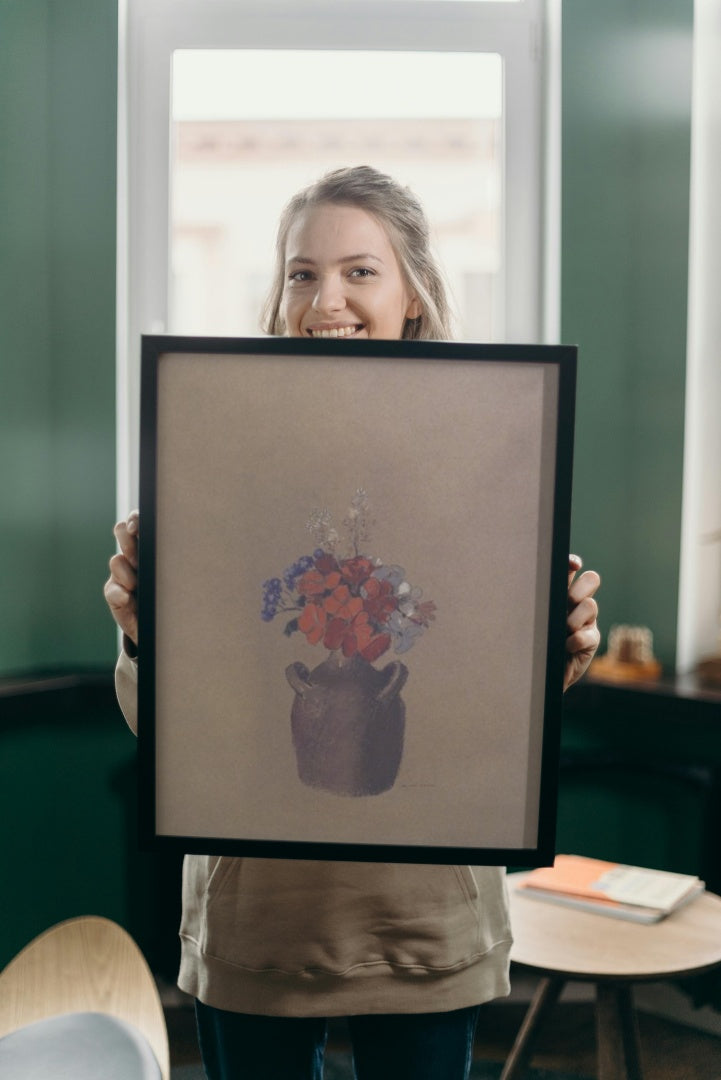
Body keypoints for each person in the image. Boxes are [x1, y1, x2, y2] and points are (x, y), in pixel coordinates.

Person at [105, 166, 601, 1080]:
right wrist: (144, 637)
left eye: (359, 271)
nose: (324, 298)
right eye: (301, 273)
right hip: (258, 919)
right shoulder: (213, 454)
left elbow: (484, 710)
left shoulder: (490, 460)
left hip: (424, 920)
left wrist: (554, 651)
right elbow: (173, 730)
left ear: (412, 292)